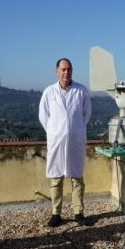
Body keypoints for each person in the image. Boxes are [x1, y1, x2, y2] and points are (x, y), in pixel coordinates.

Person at [38, 58, 92, 227]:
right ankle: (56, 213)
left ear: (72, 71)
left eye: (69, 69)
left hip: (75, 140)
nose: (66, 72)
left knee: (77, 178)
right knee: (56, 178)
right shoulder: (49, 92)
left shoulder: (81, 91)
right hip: (56, 141)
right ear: (57, 71)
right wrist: (55, 132)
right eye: (63, 69)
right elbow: (43, 115)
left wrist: (75, 129)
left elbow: (86, 114)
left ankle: (78, 212)